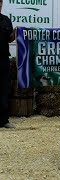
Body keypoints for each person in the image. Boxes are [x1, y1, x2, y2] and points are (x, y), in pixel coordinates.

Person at [0, 0, 15, 128]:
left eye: (0, 3)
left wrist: (15, 34)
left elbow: (9, 39)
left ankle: (4, 120)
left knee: (4, 89)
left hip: (4, 59)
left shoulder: (6, 20)